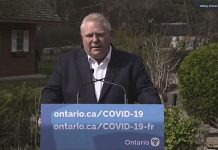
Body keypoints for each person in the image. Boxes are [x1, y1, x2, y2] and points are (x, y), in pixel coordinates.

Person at [41, 13, 161, 104]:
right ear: (82, 37)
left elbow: (146, 92)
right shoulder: (66, 63)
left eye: (100, 34)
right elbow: (51, 93)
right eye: (89, 35)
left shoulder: (132, 63)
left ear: (109, 35)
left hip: (118, 134)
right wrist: (45, 116)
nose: (95, 40)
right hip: (77, 133)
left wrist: (155, 112)